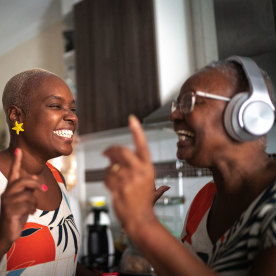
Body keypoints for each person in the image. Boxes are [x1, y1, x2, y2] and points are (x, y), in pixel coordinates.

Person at [104, 56, 276, 275]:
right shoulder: (205, 200)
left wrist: (144, 223)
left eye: (189, 101)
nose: (174, 115)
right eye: (176, 104)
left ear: (246, 113)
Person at [0, 69, 97, 275]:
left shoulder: (57, 178)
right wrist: (3, 239)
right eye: (55, 106)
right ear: (16, 115)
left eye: (73, 109)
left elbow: (63, 262)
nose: (71, 116)